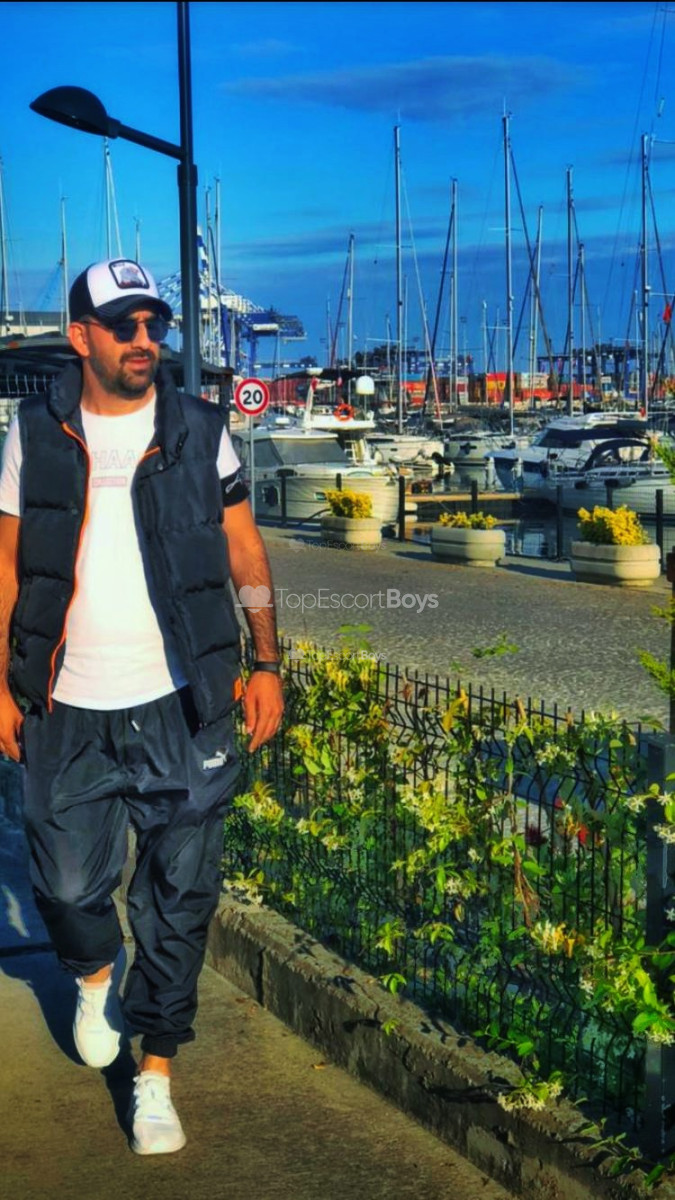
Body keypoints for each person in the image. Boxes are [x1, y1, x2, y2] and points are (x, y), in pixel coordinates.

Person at [0, 258, 284, 1156]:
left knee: (180, 895)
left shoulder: (200, 430)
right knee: (64, 886)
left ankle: (155, 1069)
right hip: (64, 701)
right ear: (80, 336)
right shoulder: (33, 432)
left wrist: (267, 661)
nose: (143, 340)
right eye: (122, 325)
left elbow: (244, 551)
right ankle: (92, 973)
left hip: (182, 701)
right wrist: (0, 681)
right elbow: (6, 562)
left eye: (153, 325)